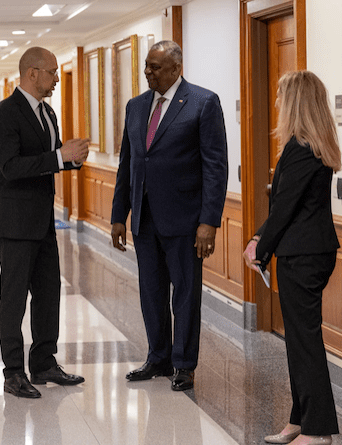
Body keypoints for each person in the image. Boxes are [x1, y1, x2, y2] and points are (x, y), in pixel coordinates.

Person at [110, 40, 228, 392]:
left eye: (155, 67)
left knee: (186, 294)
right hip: (145, 220)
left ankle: (184, 364)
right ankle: (157, 357)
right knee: (151, 293)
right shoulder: (136, 106)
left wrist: (209, 222)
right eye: (146, 65)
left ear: (176, 68)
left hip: (186, 221)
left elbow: (215, 167)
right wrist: (119, 215)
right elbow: (127, 165)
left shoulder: (202, 103)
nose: (147, 72)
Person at [244, 71, 341, 445]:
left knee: (304, 342)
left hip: (304, 255)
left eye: (281, 96)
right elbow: (286, 207)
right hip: (306, 251)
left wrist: (260, 248)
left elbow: (285, 207)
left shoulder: (301, 149)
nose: (276, 103)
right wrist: (258, 238)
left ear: (295, 102)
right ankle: (300, 420)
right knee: (299, 340)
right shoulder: (307, 146)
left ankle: (317, 432)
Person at [0, 46, 90, 398]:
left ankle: (44, 362)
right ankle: (13, 372)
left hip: (43, 222)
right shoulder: (5, 113)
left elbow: (52, 158)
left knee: (48, 293)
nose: (56, 80)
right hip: (14, 223)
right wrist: (58, 156)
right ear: (32, 73)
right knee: (13, 299)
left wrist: (71, 159)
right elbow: (10, 168)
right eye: (51, 73)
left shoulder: (48, 113)